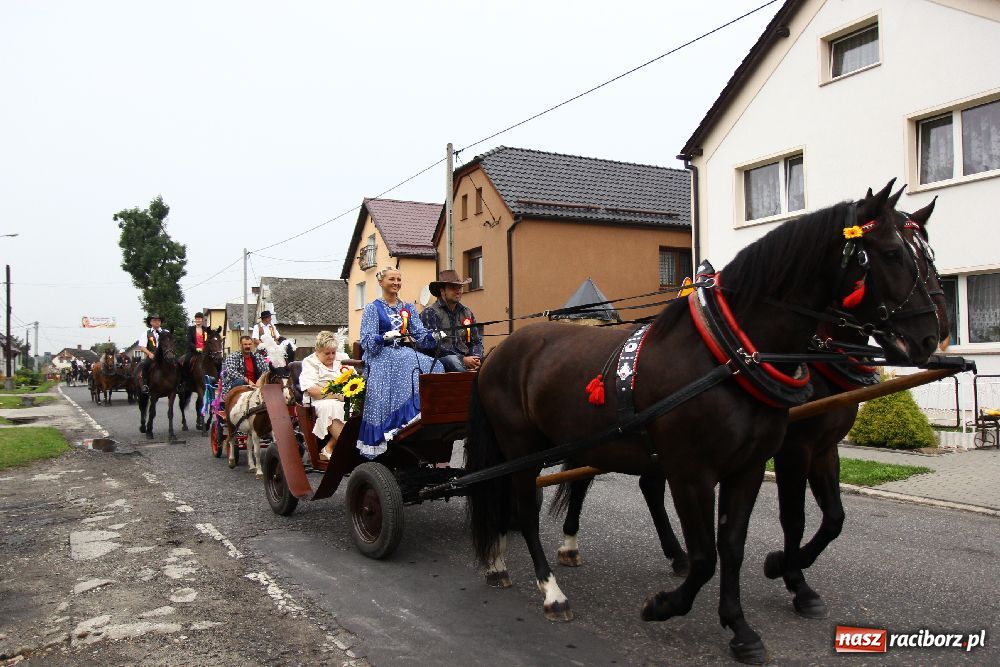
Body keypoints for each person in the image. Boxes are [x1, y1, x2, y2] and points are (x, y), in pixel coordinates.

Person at [357, 266, 444, 459]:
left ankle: (418, 417)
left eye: (398, 279)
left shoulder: (408, 307)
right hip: (381, 355)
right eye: (392, 279)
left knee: (435, 364)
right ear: (381, 282)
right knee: (405, 361)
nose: (396, 283)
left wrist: (434, 336)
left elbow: (419, 334)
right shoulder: (373, 308)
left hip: (401, 352)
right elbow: (366, 341)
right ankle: (394, 424)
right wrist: (383, 338)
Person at [297, 330, 349, 461]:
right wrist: (336, 395)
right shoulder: (309, 362)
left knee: (361, 405)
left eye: (333, 352)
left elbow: (354, 380)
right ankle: (349, 447)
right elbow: (312, 390)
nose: (331, 356)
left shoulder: (342, 358)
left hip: (343, 396)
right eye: (327, 353)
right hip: (318, 400)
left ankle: (329, 447)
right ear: (317, 351)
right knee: (331, 406)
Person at [420, 269, 483, 372]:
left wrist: (476, 358)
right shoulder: (430, 312)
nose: (458, 291)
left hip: (467, 358)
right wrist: (462, 359)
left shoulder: (467, 312)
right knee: (453, 360)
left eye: (460, 287)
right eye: (453, 288)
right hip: (440, 359)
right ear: (442, 291)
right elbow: (434, 346)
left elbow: (476, 341)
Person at [138, 314, 169, 393]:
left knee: (177, 364)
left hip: (165, 355)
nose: (157, 322)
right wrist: (149, 354)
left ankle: (179, 384)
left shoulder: (166, 332)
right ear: (151, 322)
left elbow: (170, 344)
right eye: (154, 321)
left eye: (158, 320)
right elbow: (142, 347)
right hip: (152, 356)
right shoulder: (146, 333)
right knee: (145, 365)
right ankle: (145, 385)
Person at [180, 312, 210, 380]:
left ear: (202, 320)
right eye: (197, 319)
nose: (198, 320)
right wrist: (196, 348)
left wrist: (204, 348)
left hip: (204, 351)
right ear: (195, 320)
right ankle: (185, 378)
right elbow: (189, 341)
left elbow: (207, 341)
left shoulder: (205, 330)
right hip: (192, 351)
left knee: (215, 360)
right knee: (186, 361)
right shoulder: (191, 329)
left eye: (199, 319)